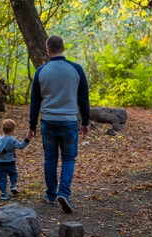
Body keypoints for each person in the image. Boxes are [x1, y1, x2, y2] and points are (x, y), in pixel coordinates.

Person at [27, 35, 90, 213]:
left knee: (50, 159)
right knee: (69, 158)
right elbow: (83, 99)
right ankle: (64, 192)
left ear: (48, 50)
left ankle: (51, 194)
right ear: (63, 48)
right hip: (69, 121)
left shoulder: (41, 71)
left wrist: (32, 126)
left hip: (48, 121)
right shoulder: (76, 69)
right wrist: (85, 122)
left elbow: (35, 102)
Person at [0, 119, 30, 200]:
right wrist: (27, 139)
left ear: (2, 129)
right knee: (13, 174)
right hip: (10, 162)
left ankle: (4, 193)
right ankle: (13, 186)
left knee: (2, 178)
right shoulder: (12, 140)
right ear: (13, 131)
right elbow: (21, 146)